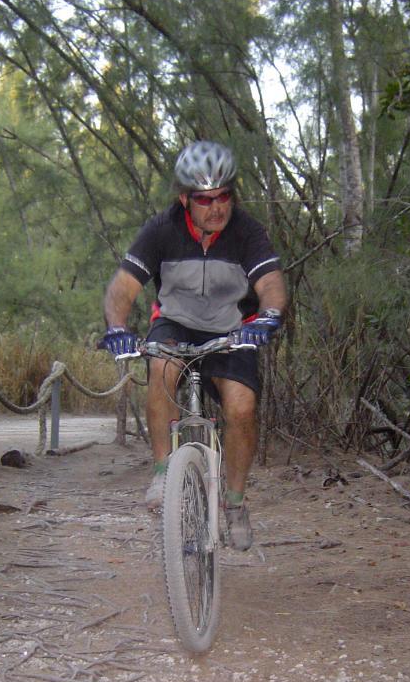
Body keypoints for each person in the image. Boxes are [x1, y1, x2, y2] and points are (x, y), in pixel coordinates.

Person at [101, 140, 287, 550]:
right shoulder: (161, 229)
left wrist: (269, 316)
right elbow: (124, 286)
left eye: (224, 196)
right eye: (205, 199)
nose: (217, 207)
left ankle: (235, 502)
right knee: (161, 366)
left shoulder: (246, 231)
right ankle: (163, 470)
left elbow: (270, 282)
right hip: (176, 323)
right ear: (184, 198)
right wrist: (116, 326)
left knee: (241, 407)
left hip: (233, 328)